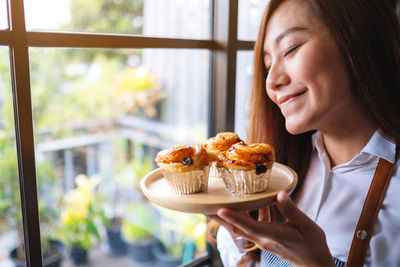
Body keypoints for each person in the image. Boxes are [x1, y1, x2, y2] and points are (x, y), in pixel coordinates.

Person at [208, 0, 400, 266]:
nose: (272, 81)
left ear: (357, 38)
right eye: (266, 65)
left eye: (291, 49)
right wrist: (243, 236)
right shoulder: (276, 169)